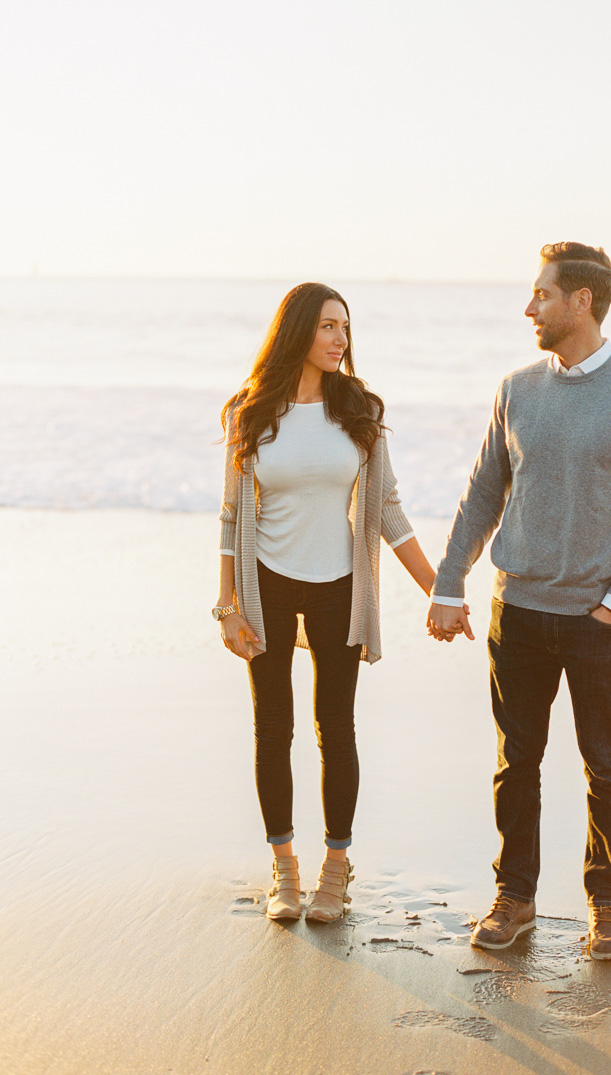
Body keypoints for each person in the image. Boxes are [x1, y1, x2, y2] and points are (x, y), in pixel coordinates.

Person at [427, 243, 611, 960]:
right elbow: (484, 490)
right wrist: (450, 581)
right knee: (518, 761)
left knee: (605, 762)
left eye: (541, 294)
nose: (529, 306)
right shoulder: (516, 387)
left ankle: (606, 906)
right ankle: (516, 895)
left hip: (599, 619)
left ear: (582, 301)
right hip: (520, 611)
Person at [214, 282, 438, 924]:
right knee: (272, 726)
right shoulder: (249, 412)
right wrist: (227, 603)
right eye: (328, 327)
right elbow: (232, 517)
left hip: (339, 581)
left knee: (335, 728)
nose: (341, 339)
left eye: (345, 327)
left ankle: (335, 868)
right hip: (266, 582)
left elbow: (387, 506)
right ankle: (285, 868)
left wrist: (437, 587)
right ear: (298, 333)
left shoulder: (358, 409)